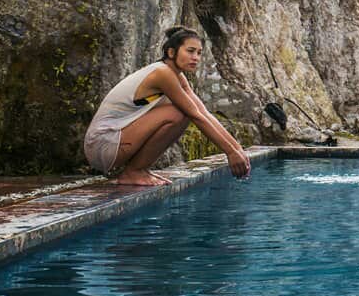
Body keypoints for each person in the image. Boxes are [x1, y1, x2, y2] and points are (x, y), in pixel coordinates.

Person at [83, 26, 252, 185]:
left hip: (115, 142)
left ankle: (137, 170)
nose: (196, 58)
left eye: (199, 53)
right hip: (102, 144)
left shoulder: (177, 76)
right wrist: (230, 153)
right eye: (190, 51)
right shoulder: (162, 73)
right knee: (180, 113)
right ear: (171, 52)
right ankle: (134, 172)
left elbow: (204, 113)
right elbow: (195, 115)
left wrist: (237, 150)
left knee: (186, 111)